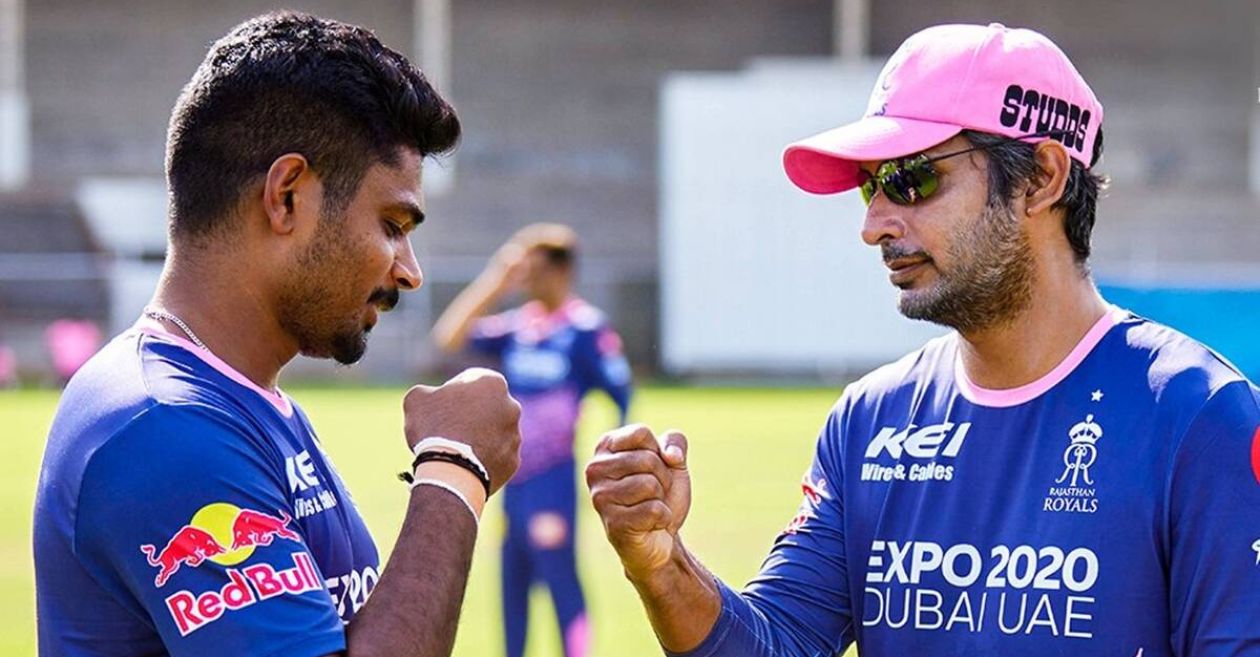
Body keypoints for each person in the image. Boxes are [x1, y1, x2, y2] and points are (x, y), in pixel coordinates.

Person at [586, 22, 1260, 657]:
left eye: (912, 177)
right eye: (870, 187)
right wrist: (659, 562)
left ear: (1043, 177)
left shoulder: (1201, 417)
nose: (875, 223)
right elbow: (777, 640)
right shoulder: (869, 419)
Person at [34, 12, 521, 657]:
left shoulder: (237, 399)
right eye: (393, 224)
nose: (409, 271)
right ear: (287, 196)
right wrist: (454, 470)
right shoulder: (163, 428)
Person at [433, 223, 632, 657]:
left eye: (532, 268)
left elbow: (621, 396)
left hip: (554, 481)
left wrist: (612, 463)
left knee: (560, 580)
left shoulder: (584, 330)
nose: (523, 277)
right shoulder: (520, 328)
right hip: (512, 483)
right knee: (512, 588)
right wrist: (494, 280)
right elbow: (448, 337)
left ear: (561, 271)